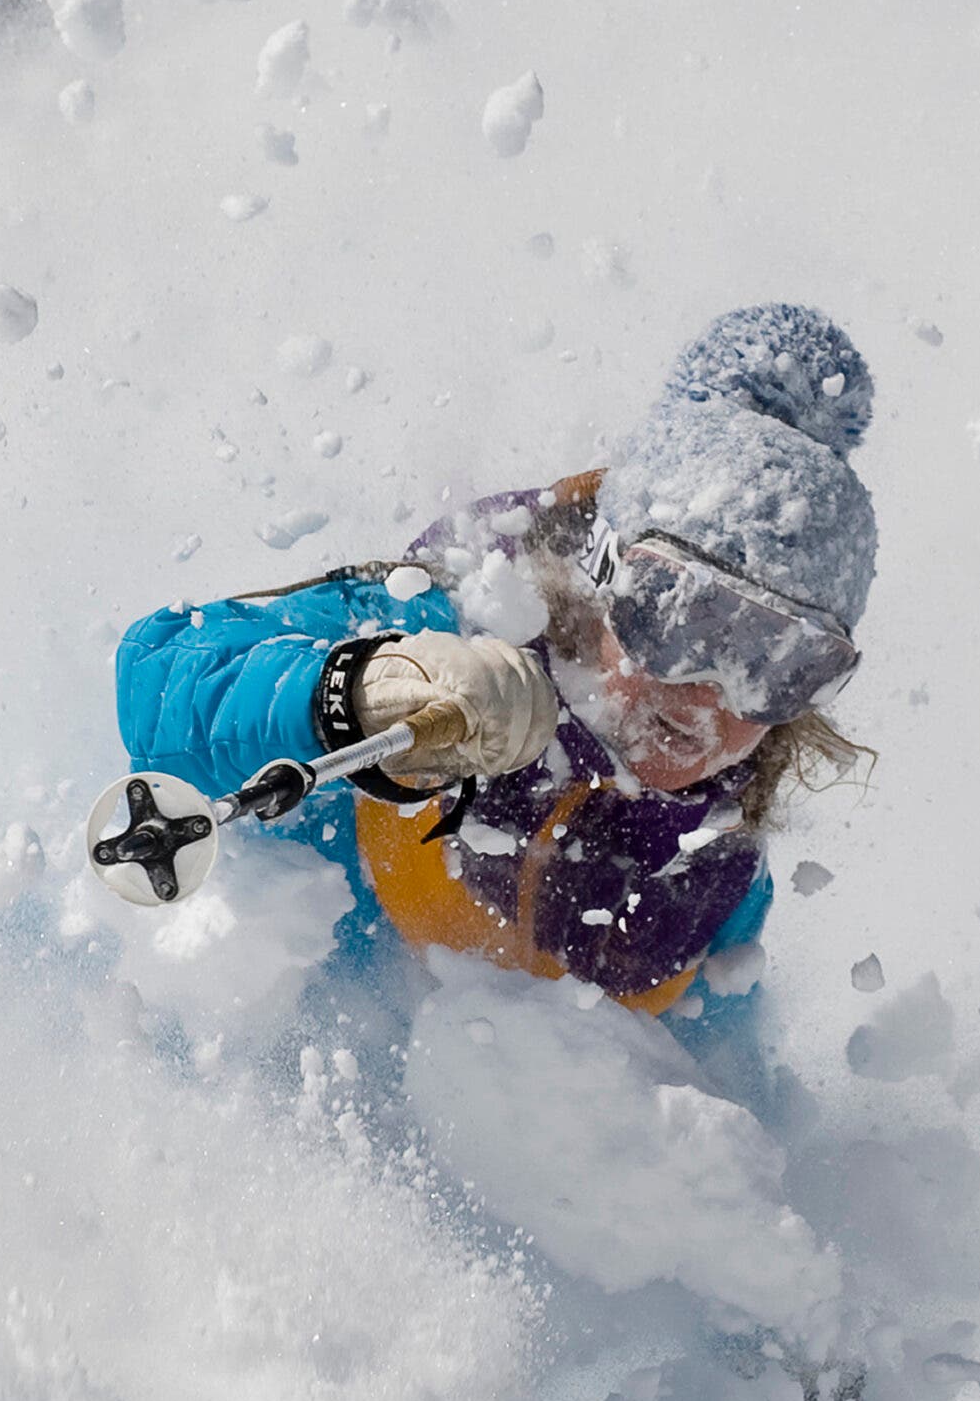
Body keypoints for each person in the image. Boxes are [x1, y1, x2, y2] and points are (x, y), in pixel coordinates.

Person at [112, 302, 876, 1042]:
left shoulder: (718, 868)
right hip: (253, 1033)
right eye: (680, 619)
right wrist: (353, 692)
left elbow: (716, 1069)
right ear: (601, 578)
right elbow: (158, 680)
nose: (709, 696)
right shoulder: (447, 626)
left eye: (778, 664)